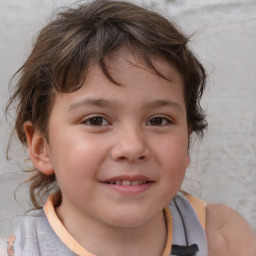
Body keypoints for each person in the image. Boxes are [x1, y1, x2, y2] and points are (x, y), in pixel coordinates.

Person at [2, 0, 255, 255]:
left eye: (158, 120)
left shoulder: (221, 238)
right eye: (96, 120)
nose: (133, 147)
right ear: (41, 147)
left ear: (187, 139)